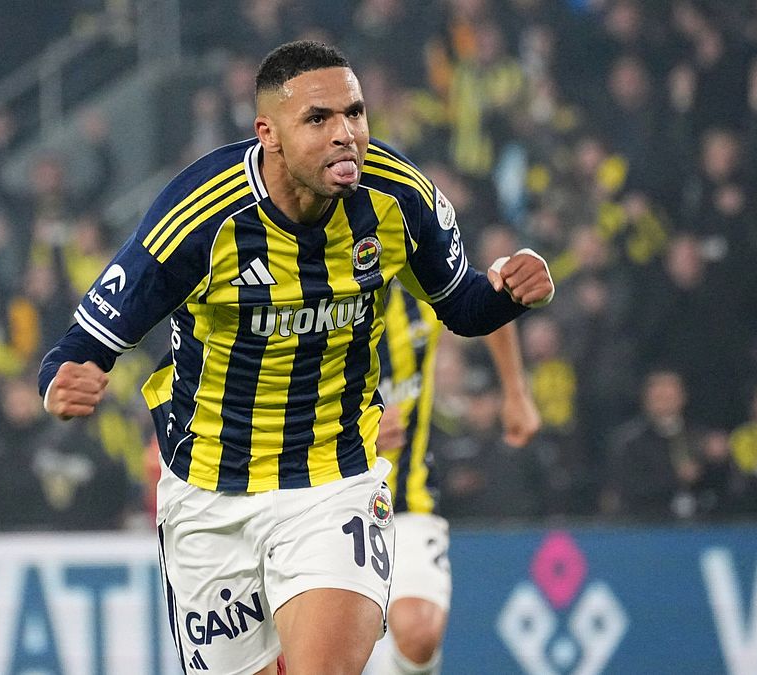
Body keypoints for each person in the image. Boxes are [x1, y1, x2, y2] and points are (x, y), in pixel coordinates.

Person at [40, 41, 553, 675]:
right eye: (318, 119)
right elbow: (83, 345)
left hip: (334, 482)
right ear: (270, 134)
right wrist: (60, 384)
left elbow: (464, 307)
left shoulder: (398, 197)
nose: (345, 134)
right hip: (209, 494)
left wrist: (510, 291)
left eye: (355, 113)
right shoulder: (200, 213)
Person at [370, 286, 540, 675]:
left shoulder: (417, 284)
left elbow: (489, 298)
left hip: (407, 497)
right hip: (322, 499)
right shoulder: (314, 295)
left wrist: (515, 392)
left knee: (419, 635)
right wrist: (354, 433)